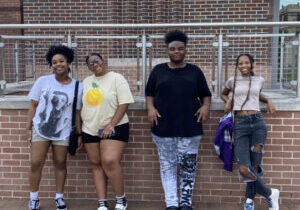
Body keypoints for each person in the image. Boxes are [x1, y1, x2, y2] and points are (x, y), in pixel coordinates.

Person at [145, 30, 212, 210]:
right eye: (173, 49)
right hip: (163, 127)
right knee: (167, 166)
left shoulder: (195, 71)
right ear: (168, 50)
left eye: (180, 49)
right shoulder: (158, 70)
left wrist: (205, 106)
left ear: (185, 50)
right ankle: (172, 203)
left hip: (190, 127)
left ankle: (185, 203)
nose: (176, 52)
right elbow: (149, 93)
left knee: (188, 167)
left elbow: (206, 95)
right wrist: (150, 108)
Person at [26, 45, 83, 210]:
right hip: (41, 129)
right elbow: (33, 106)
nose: (58, 64)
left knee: (60, 163)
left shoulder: (78, 87)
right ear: (51, 65)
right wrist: (28, 129)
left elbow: (77, 112)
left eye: (61, 61)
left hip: (63, 131)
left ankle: (59, 197)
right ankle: (34, 198)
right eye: (54, 62)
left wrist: (78, 134)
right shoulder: (42, 81)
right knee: (36, 163)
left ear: (68, 62)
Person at [221, 53, 279, 210]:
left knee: (255, 165)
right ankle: (269, 193)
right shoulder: (232, 81)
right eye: (240, 63)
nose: (244, 65)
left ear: (252, 64)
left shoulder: (259, 80)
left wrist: (268, 100)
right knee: (244, 168)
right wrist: (228, 101)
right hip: (240, 124)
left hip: (258, 122)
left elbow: (256, 95)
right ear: (237, 66)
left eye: (247, 62)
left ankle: (248, 201)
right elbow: (223, 94)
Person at [81, 52, 134, 210]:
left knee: (109, 161)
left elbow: (124, 103)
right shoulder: (86, 81)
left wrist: (111, 124)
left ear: (103, 61)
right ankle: (102, 202)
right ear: (88, 67)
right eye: (90, 63)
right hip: (89, 128)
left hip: (115, 126)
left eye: (97, 60)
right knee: (96, 164)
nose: (95, 64)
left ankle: (121, 199)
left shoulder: (116, 78)